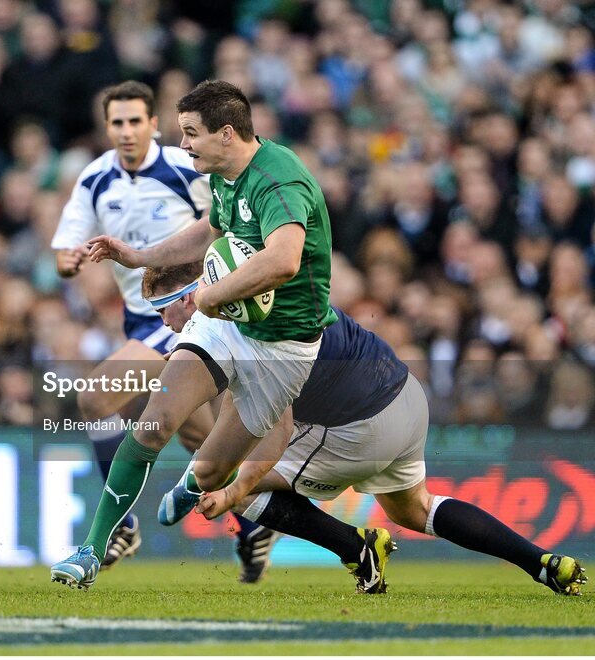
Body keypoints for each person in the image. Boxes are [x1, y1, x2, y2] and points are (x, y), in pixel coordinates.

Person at [142, 262, 587, 596]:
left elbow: (274, 433)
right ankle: (542, 562)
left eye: (163, 309)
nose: (163, 323)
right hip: (404, 394)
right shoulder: (269, 285)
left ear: (191, 296)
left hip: (361, 426)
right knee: (413, 510)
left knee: (236, 481)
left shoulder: (241, 334)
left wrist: (231, 493)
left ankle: (357, 549)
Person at [51, 79, 338, 590]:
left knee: (210, 469)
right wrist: (139, 255)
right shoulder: (222, 175)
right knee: (154, 424)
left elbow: (284, 259)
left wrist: (205, 295)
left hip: (280, 343)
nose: (183, 145)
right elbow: (209, 229)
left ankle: (234, 505)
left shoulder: (276, 181)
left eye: (190, 134)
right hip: (220, 320)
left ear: (226, 134)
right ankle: (93, 550)